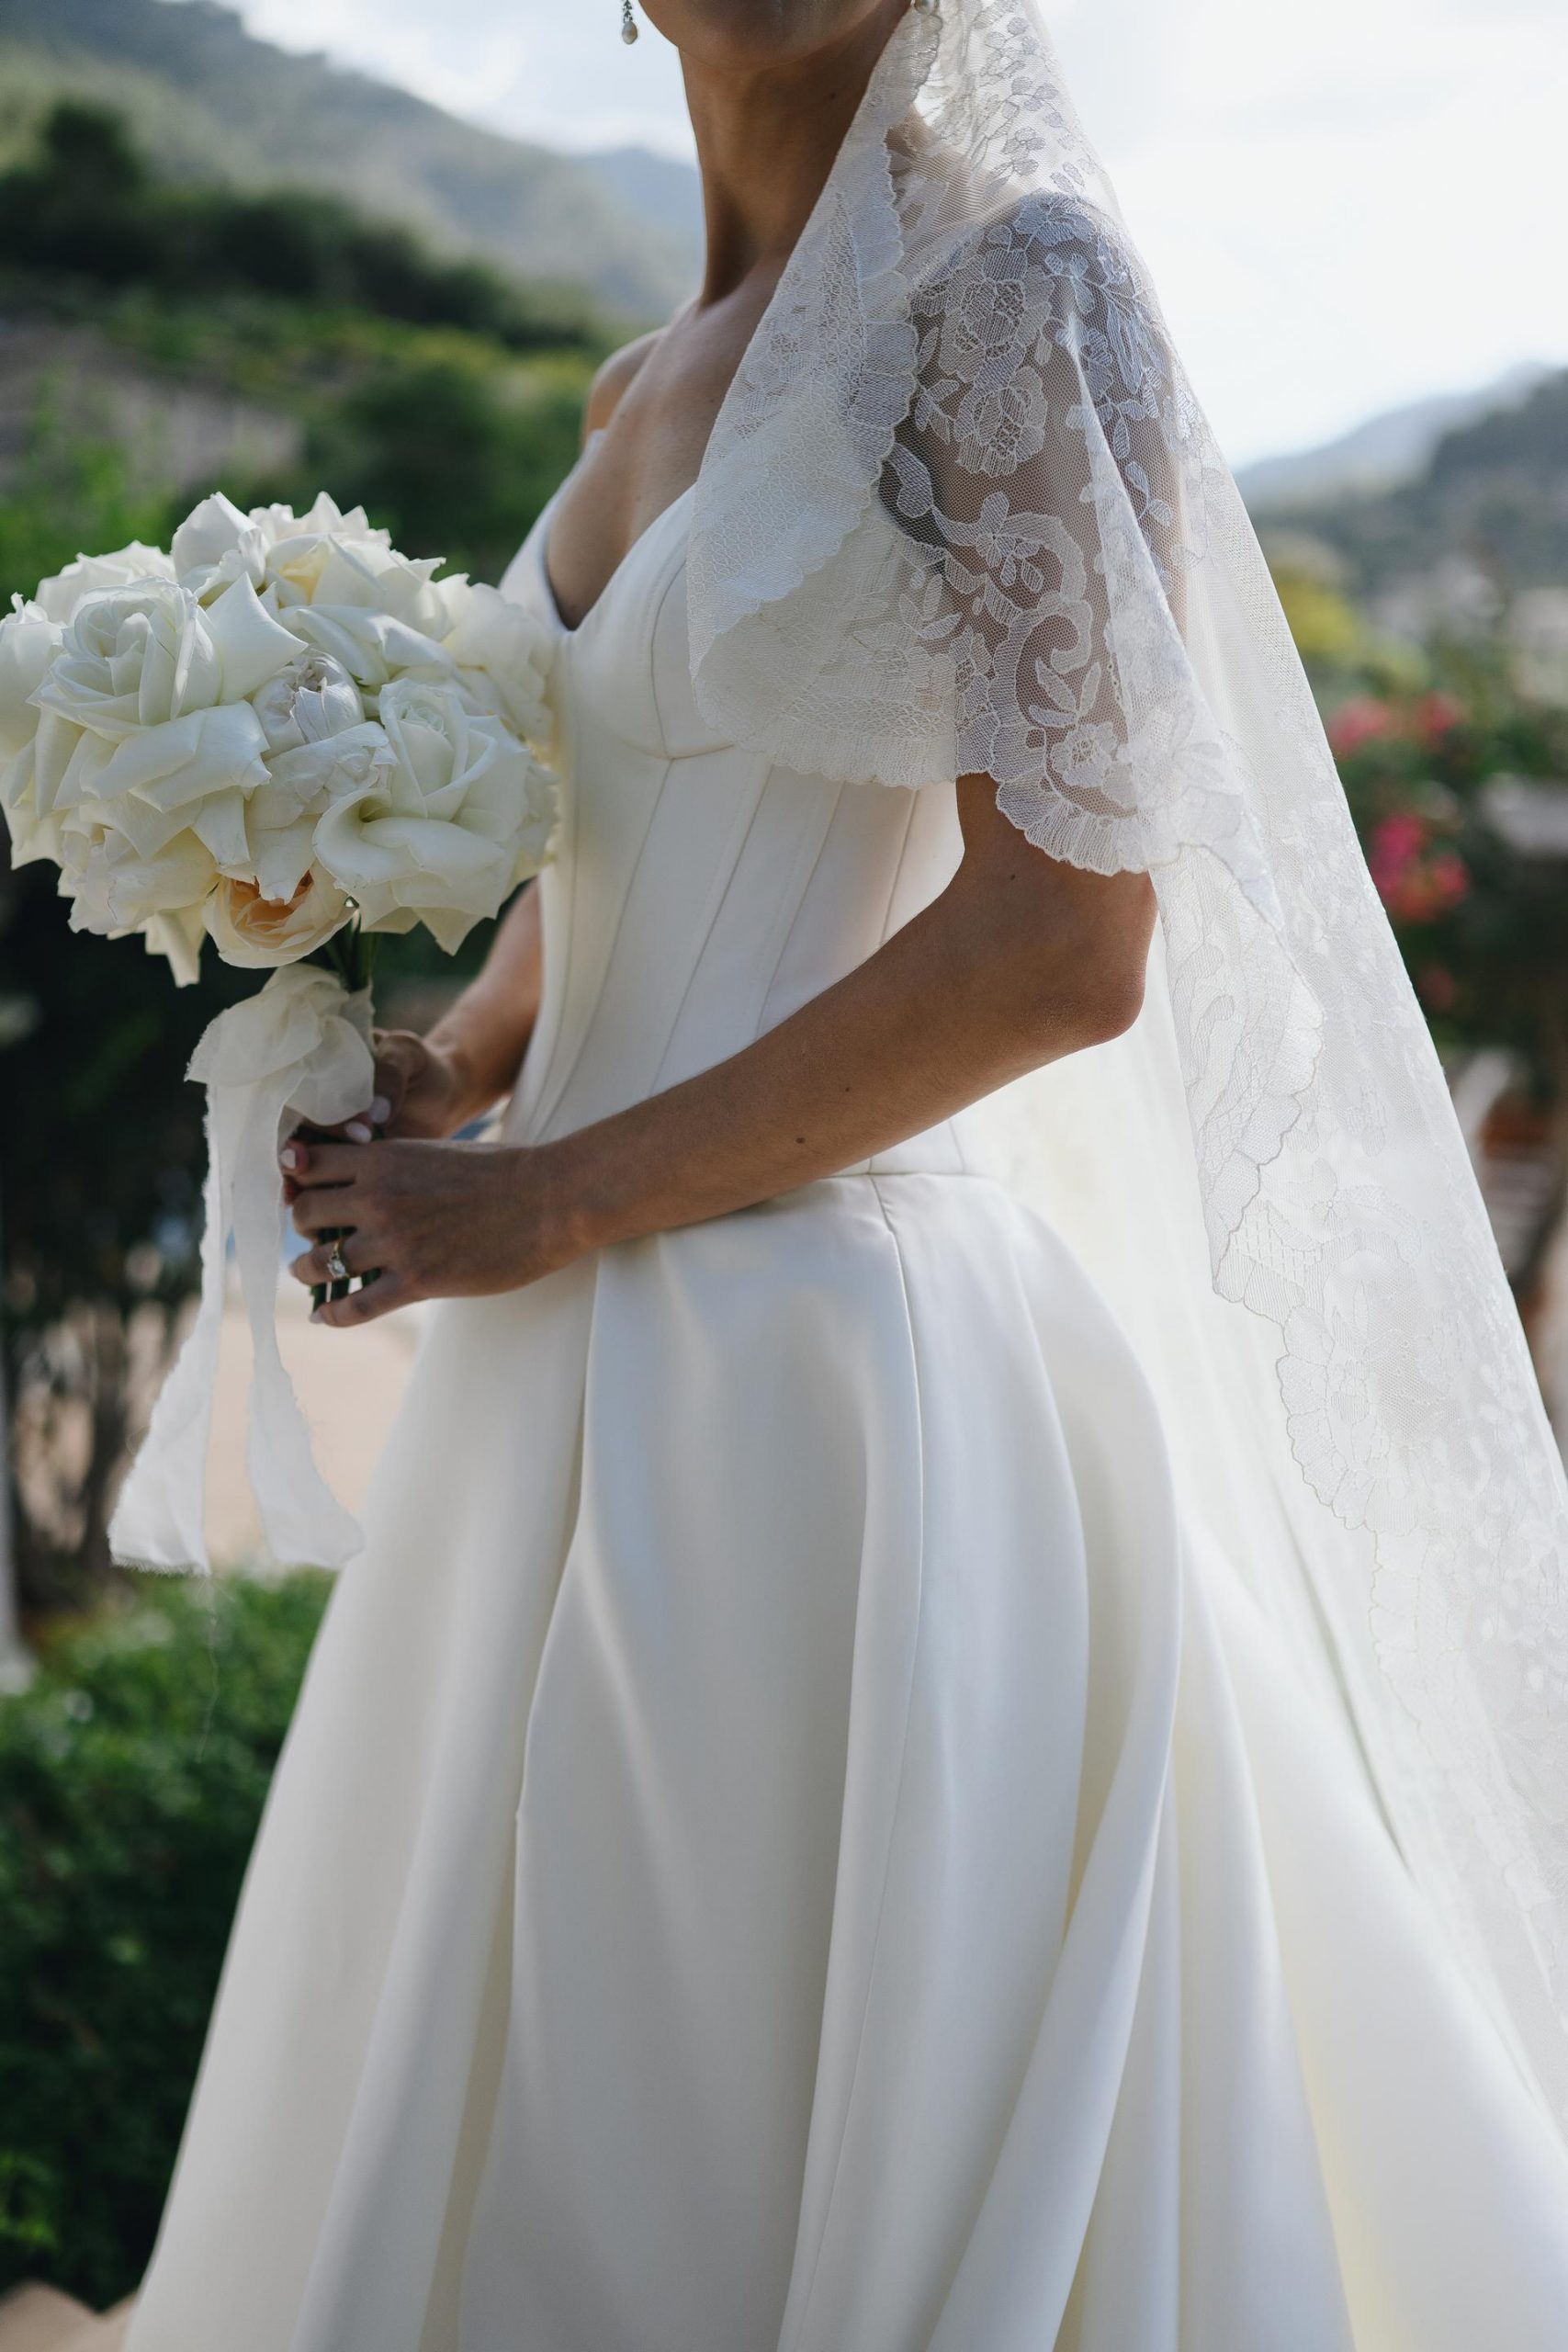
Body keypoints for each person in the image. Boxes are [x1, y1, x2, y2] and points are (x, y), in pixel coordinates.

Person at [126, 3, 1568, 2346]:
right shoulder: (632, 381)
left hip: (818, 1389)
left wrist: (563, 1193)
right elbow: (606, 842)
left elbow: (1062, 942)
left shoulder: (1015, 300)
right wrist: (453, 1067)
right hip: (543, 1355)